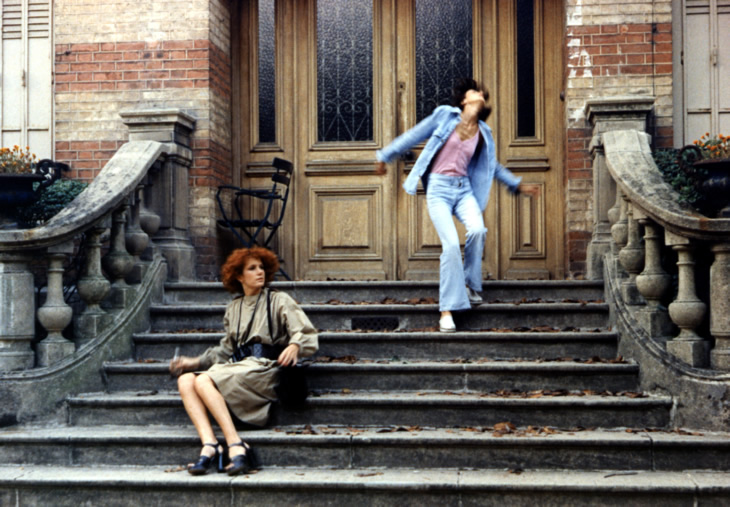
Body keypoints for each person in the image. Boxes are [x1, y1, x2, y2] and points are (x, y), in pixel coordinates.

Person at [375, 78, 536, 332]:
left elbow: (491, 166)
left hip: (464, 190)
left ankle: (471, 286)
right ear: (464, 100)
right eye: (475, 91)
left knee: (478, 230)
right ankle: (446, 311)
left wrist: (515, 184)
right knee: (450, 245)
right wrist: (385, 155)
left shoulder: (484, 132)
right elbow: (414, 134)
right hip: (438, 189)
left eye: (482, 92)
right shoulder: (444, 117)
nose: (480, 93)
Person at [169, 246, 318, 476]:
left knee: (203, 382)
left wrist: (295, 345)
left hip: (264, 369)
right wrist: (192, 363)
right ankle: (209, 444)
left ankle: (236, 444)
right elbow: (225, 350)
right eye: (252, 268)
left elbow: (307, 333)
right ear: (239, 276)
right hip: (238, 368)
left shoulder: (278, 300)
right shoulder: (234, 307)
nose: (260, 272)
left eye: (261, 268)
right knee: (186, 380)